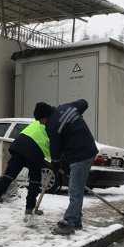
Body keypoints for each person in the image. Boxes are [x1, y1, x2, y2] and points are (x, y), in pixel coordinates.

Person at [0, 102, 52, 215]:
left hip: (19, 145)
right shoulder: (49, 125)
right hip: (34, 150)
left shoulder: (36, 123)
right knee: (35, 179)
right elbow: (51, 146)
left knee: (9, 175)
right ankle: (30, 208)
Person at [45, 98, 98, 235]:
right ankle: (77, 220)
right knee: (77, 188)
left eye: (40, 120)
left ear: (44, 117)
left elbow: (55, 149)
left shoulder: (51, 125)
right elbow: (84, 103)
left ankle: (69, 223)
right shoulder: (67, 107)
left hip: (79, 155)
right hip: (89, 150)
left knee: (75, 190)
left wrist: (55, 164)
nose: (40, 123)